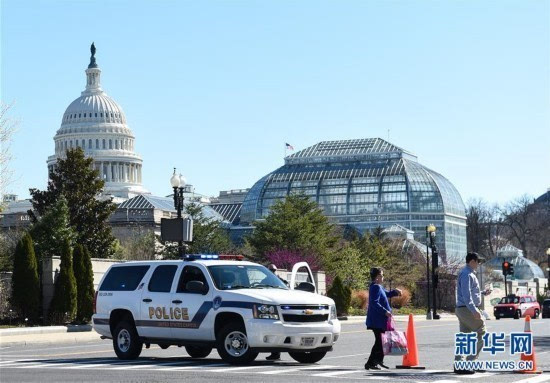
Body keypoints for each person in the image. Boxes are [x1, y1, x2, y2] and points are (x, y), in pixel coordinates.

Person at [454, 252, 488, 375]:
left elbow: (471, 292)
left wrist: (483, 293)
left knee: (465, 337)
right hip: (467, 309)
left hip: (463, 308)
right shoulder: (466, 274)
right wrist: (474, 310)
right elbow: (466, 294)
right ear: (472, 261)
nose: (478, 264)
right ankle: (470, 362)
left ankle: (460, 364)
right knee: (482, 332)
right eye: (477, 261)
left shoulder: (467, 274)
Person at [365, 267, 402, 370]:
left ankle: (378, 361)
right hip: (377, 321)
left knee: (382, 342)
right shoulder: (375, 287)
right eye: (381, 275)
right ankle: (370, 363)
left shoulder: (379, 287)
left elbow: (387, 294)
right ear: (377, 277)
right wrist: (385, 311)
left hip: (381, 321)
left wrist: (395, 292)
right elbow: (374, 303)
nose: (383, 277)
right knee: (379, 342)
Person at [266, 264, 283, 361]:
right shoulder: (277, 280)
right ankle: (275, 354)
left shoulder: (280, 280)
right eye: (271, 270)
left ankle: (276, 354)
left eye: (273, 270)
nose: (273, 271)